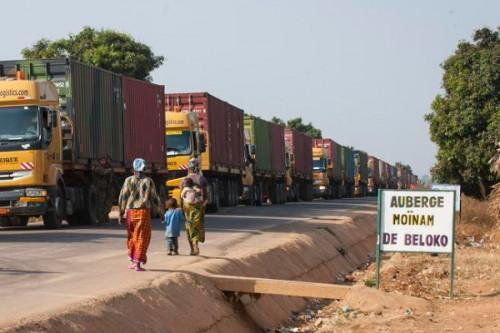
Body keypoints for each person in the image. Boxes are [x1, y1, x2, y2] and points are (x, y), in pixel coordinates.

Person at [118, 158, 163, 271]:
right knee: (142, 237)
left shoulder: (128, 180)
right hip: (143, 212)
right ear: (144, 168)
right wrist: (160, 212)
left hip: (130, 212)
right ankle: (137, 263)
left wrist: (121, 213)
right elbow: (154, 198)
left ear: (134, 168)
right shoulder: (148, 181)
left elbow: (123, 197)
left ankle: (133, 261)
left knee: (132, 236)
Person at [180, 158, 208, 256]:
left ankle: (192, 248)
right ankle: (196, 243)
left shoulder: (184, 180)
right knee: (197, 225)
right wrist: (203, 206)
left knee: (189, 226)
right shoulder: (202, 179)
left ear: (189, 167)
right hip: (198, 206)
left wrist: (182, 208)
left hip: (187, 207)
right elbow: (205, 195)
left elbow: (181, 196)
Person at [93, 156, 114, 224]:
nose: (104, 162)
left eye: (104, 160)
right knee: (100, 204)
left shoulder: (105, 167)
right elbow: (103, 172)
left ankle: (105, 218)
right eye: (102, 160)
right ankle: (100, 219)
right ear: (99, 161)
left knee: (106, 204)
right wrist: (110, 169)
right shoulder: (97, 168)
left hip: (105, 188)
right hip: (100, 189)